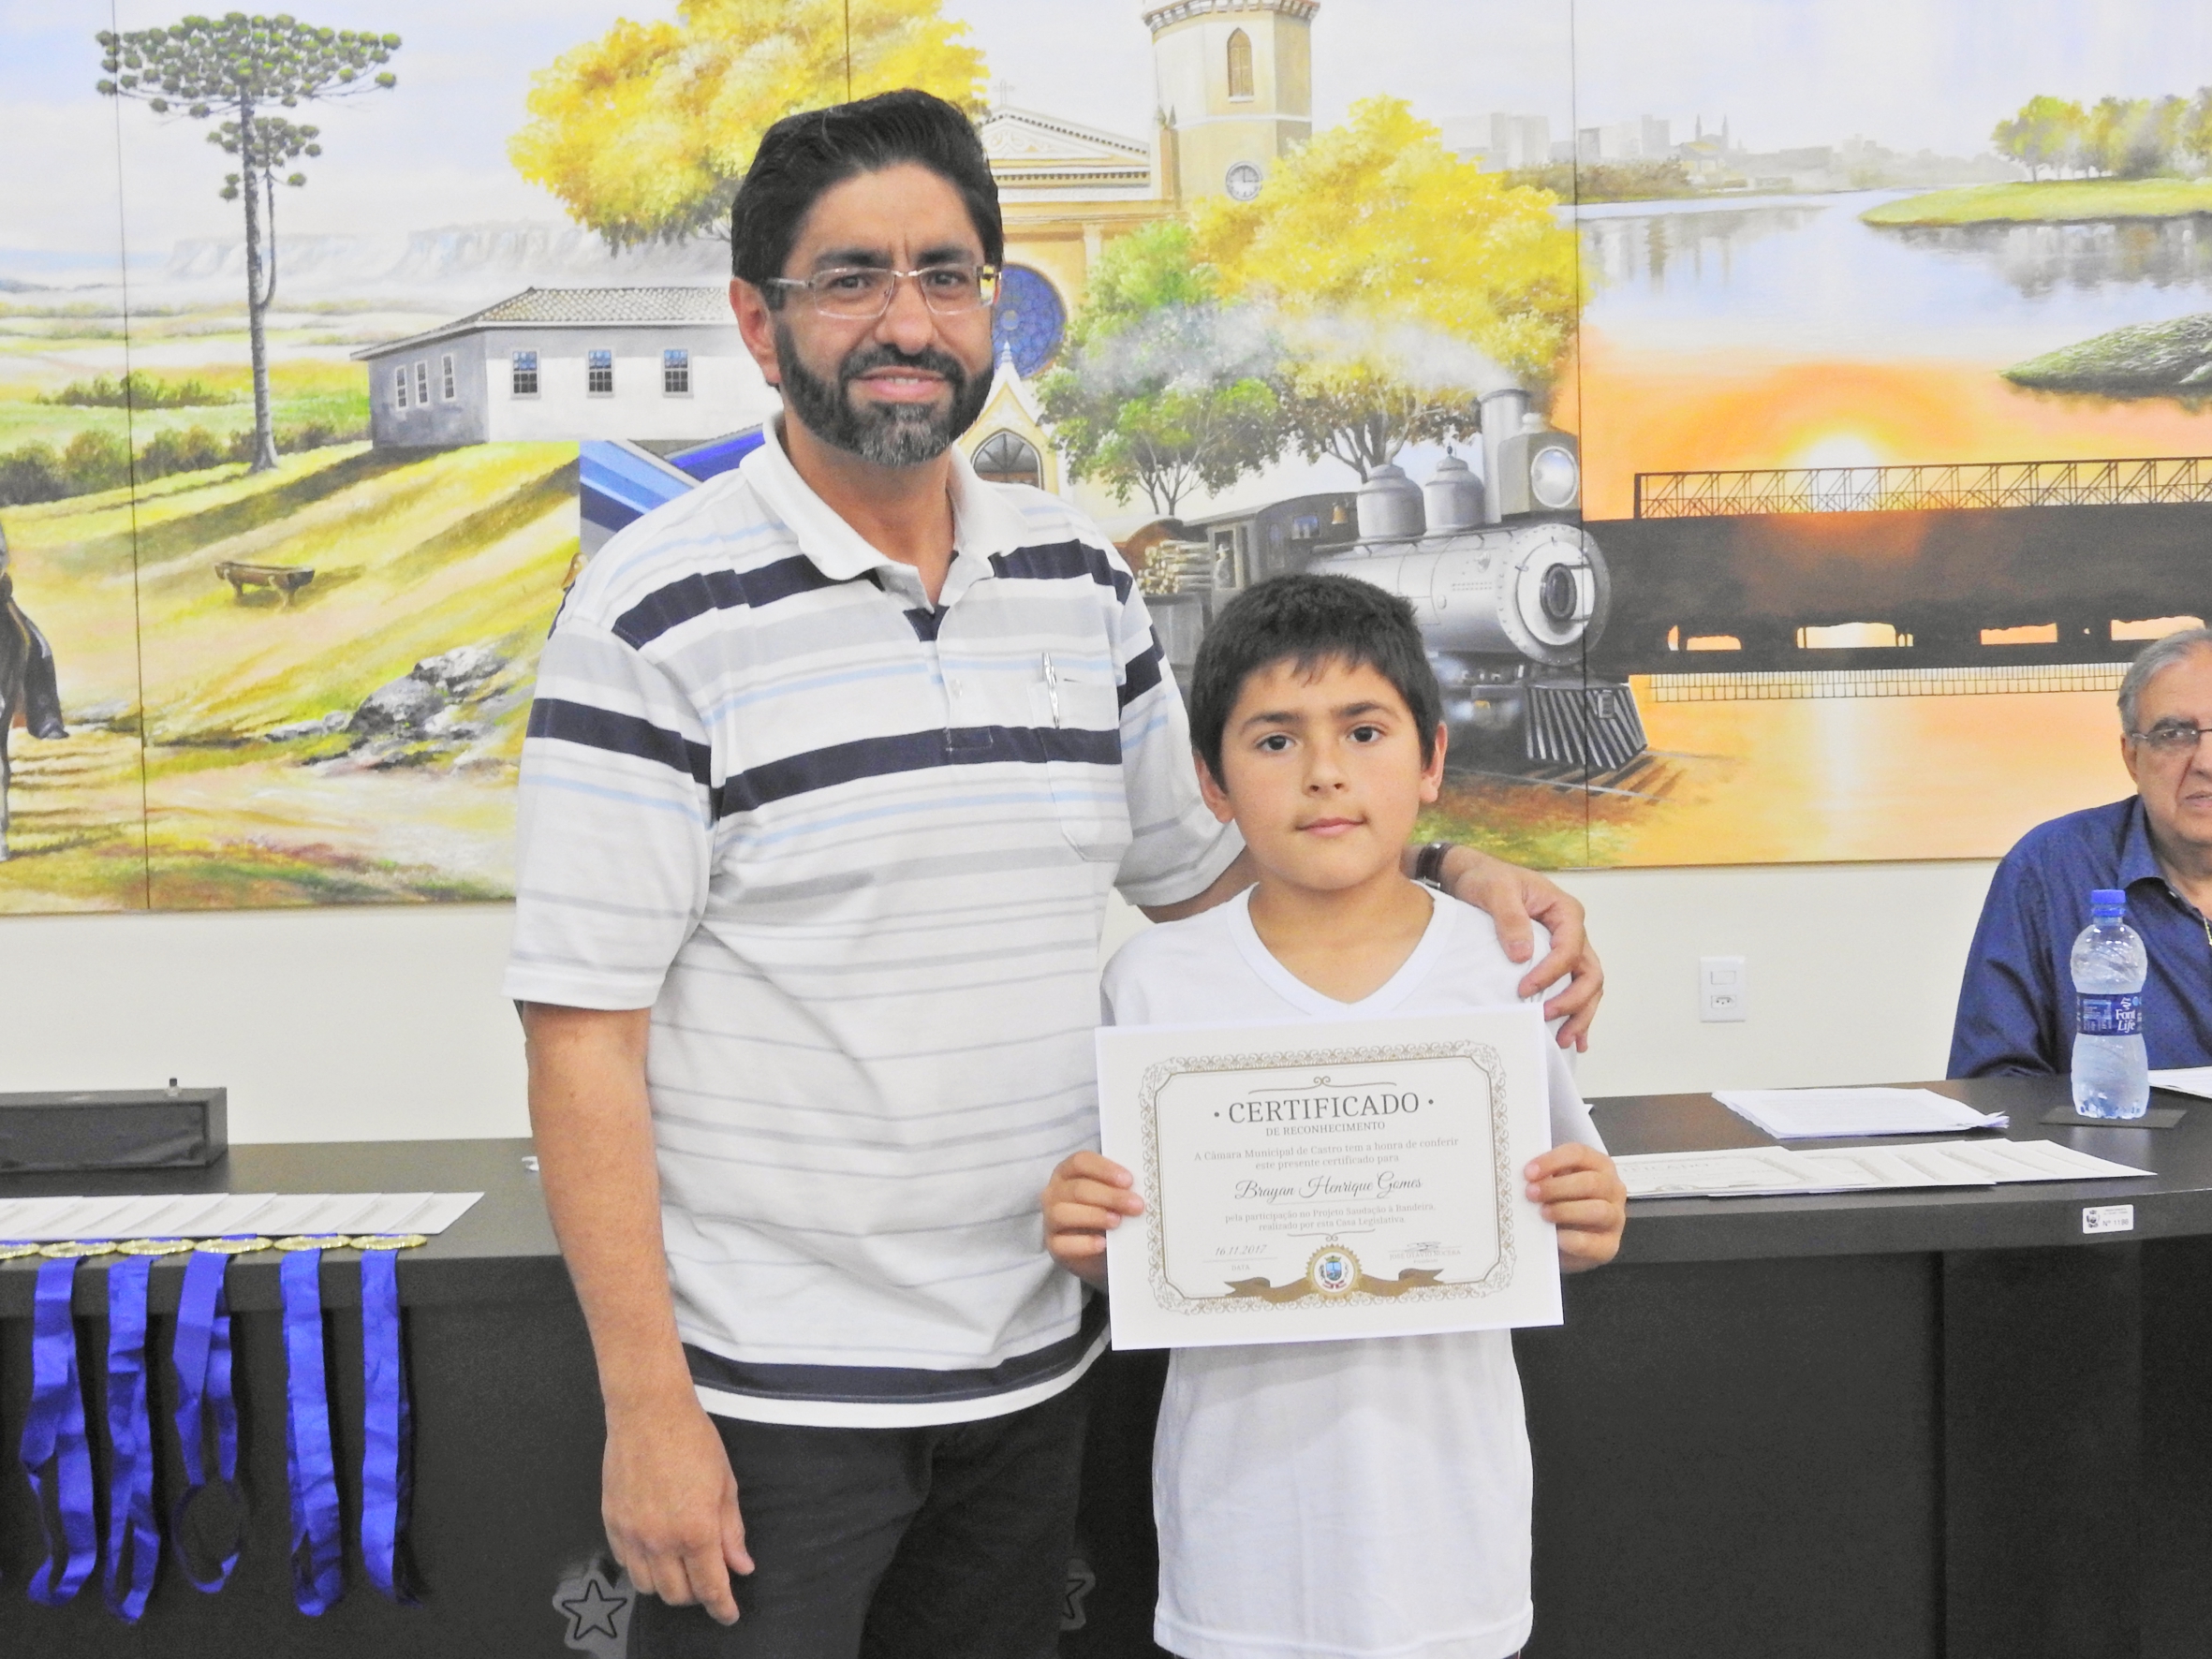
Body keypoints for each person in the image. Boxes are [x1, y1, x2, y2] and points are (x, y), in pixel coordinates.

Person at [507, 91, 1605, 1659]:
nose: (907, 322)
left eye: (945, 276)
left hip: (1041, 1370)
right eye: (851, 278)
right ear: (759, 321)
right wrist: (645, 1408)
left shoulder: (1075, 577)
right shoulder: (648, 614)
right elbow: (580, 1034)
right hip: (770, 1405)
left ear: (989, 307)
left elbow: (1213, 875)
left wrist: (1451, 871)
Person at [1042, 573, 1628, 1659]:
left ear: (1432, 759)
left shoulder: (1500, 967)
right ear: (1212, 783)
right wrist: (1089, 1242)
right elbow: (1138, 1253)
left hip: (1451, 1541)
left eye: (1364, 731)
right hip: (1237, 1543)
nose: (1323, 771)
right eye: (1273, 740)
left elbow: (1569, 1221)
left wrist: (1590, 1214)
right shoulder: (1153, 981)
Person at [1951, 625, 2212, 1076]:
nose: (2206, 762)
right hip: (2109, 1124)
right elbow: (1993, 1081)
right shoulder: (2049, 869)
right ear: (2132, 757)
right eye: (2174, 734)